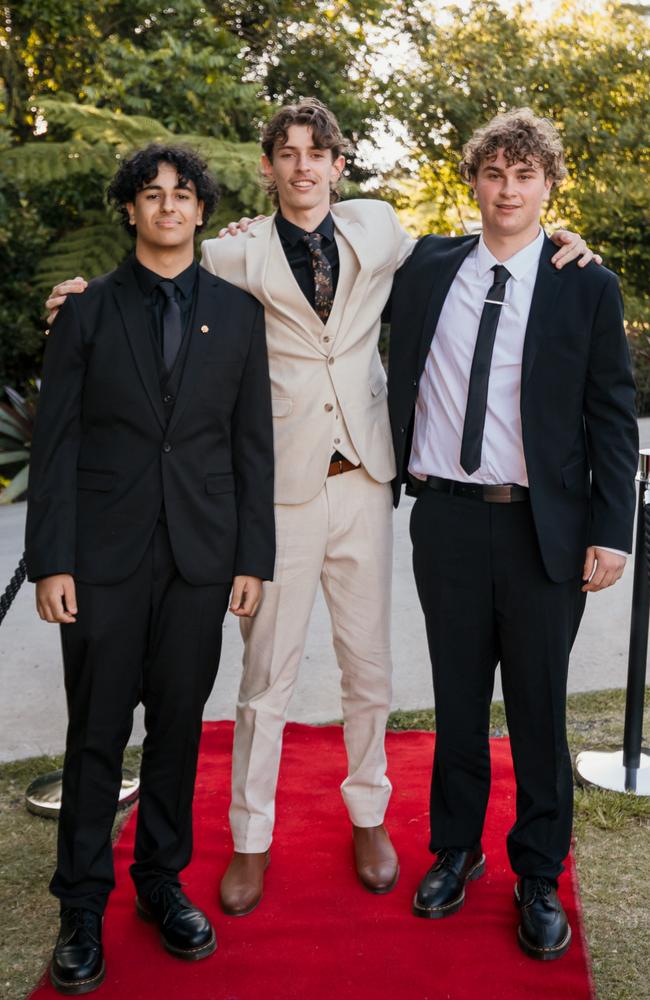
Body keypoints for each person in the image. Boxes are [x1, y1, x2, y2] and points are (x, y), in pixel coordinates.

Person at [45, 98, 596, 919]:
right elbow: (160, 278)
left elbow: (479, 250)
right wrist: (80, 298)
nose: (303, 166)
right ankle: (251, 837)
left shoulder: (380, 230)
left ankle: (370, 816)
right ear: (267, 168)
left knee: (368, 667)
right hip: (278, 491)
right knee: (267, 673)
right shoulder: (234, 255)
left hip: (368, 479)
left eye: (318, 152)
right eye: (287, 153)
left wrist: (561, 242)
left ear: (340, 166)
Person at [386, 108, 638, 959]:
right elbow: (324, 260)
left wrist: (613, 531)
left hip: (542, 527)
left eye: (524, 176)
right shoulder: (427, 266)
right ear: (475, 182)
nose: (507, 190)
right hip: (446, 519)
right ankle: (455, 852)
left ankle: (538, 871)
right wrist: (238, 232)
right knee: (457, 699)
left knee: (537, 706)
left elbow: (611, 415)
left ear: (547, 186)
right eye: (494, 173)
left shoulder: (586, 284)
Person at [26, 143, 275, 994]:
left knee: (176, 728)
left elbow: (252, 448)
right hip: (100, 558)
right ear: (129, 210)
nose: (168, 206)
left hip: (202, 559)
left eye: (182, 194)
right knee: (95, 732)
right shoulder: (86, 313)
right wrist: (50, 561)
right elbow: (53, 447)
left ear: (203, 211)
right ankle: (81, 904)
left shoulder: (240, 316)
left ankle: (161, 884)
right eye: (151, 194)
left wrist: (253, 556)